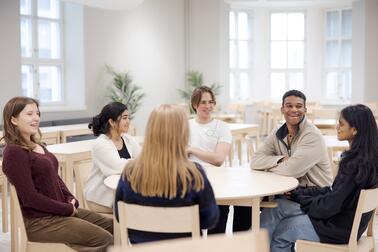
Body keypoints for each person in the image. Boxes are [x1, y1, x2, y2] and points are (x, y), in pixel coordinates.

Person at [260, 104, 378, 252]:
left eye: (341, 124)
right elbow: (334, 192)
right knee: (277, 206)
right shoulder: (365, 159)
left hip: (337, 227)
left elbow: (329, 206)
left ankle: (253, 246)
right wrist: (300, 193)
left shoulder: (354, 165)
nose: (337, 127)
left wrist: (301, 199)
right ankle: (254, 247)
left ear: (354, 130)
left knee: (281, 232)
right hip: (344, 222)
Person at [1, 97, 113, 252]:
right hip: (40, 221)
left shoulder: (37, 145)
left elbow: (55, 178)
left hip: (59, 212)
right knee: (104, 239)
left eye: (37, 113)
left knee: (114, 227)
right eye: (29, 114)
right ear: (13, 119)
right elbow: (30, 198)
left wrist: (70, 198)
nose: (36, 118)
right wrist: (66, 209)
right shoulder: (14, 152)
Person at [114, 104, 219, 244]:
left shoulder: (130, 172)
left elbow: (120, 216)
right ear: (184, 133)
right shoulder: (193, 174)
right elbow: (209, 220)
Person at [241, 90, 334, 232]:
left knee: (270, 214)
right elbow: (255, 161)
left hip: (314, 196)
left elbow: (290, 170)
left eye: (298, 106)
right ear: (282, 109)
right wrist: (280, 160)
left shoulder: (312, 136)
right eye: (289, 106)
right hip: (287, 191)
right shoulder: (277, 132)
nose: (294, 110)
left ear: (305, 110)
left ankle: (252, 245)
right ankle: (239, 244)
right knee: (244, 204)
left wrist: (270, 166)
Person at [85, 102, 141, 213]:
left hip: (121, 191)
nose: (128, 121)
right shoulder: (101, 144)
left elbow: (145, 159)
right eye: (124, 118)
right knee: (140, 208)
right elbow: (118, 167)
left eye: (128, 117)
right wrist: (139, 162)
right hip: (101, 198)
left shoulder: (128, 139)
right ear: (111, 122)